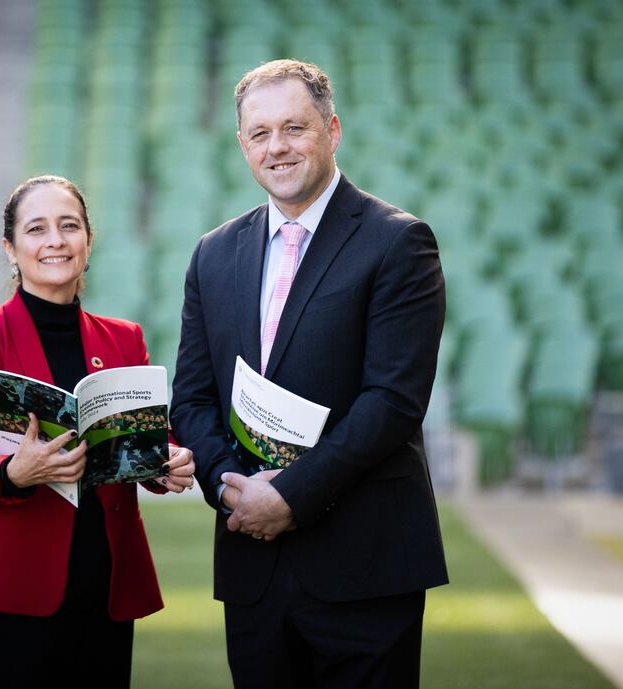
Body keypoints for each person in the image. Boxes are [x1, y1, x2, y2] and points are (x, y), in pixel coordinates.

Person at [170, 60, 448, 689]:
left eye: (294, 128)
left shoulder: (398, 242)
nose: (277, 147)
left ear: (332, 130)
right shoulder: (214, 253)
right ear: (242, 144)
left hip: (365, 565)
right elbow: (191, 397)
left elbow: (394, 401)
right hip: (253, 560)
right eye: (260, 133)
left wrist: (291, 496)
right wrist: (229, 485)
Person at [0, 174, 195, 688]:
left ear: (88, 242)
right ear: (10, 249)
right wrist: (15, 471)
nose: (55, 240)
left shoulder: (125, 339)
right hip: (4, 590)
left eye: (69, 226)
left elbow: (147, 440)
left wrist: (167, 460)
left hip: (101, 587)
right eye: (37, 229)